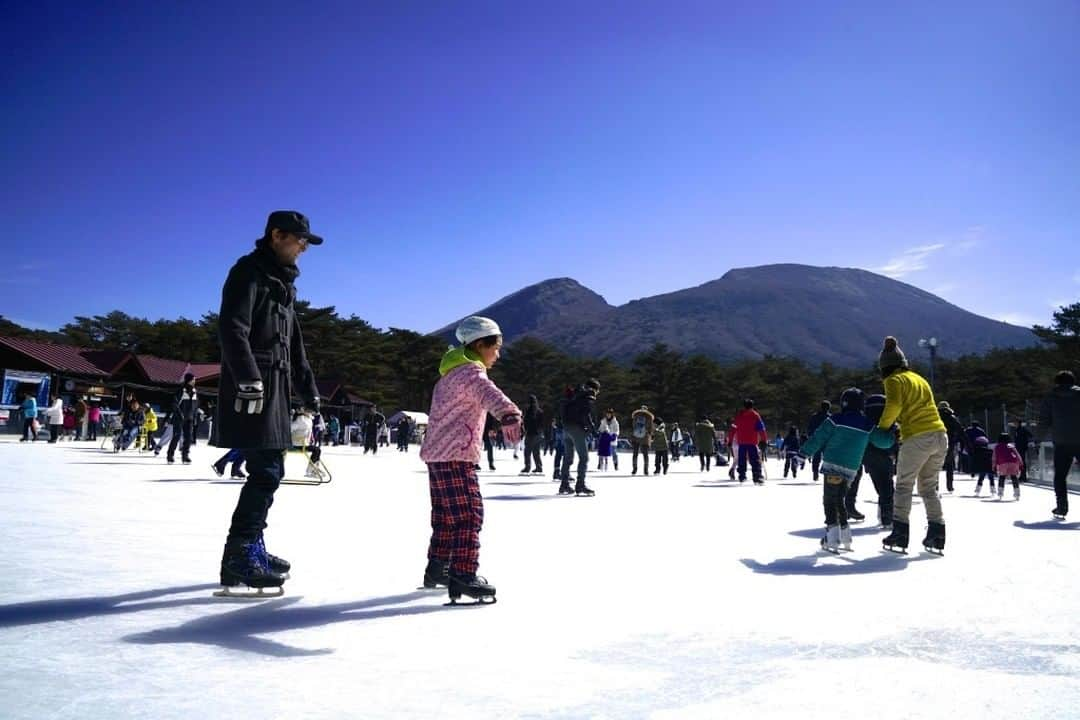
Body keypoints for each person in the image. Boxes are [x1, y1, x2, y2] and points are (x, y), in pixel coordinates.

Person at [213, 210, 323, 594]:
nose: (304, 247)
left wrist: (309, 391)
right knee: (265, 472)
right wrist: (247, 378)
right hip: (254, 390)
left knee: (269, 469)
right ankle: (241, 554)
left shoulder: (282, 283)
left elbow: (295, 345)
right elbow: (232, 327)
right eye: (299, 239)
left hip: (275, 390)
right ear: (276, 235)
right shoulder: (248, 272)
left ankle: (249, 548)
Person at [419, 315, 521, 602]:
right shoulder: (470, 373)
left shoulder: (450, 373)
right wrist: (510, 413)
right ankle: (463, 574)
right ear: (479, 344)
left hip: (438, 455)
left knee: (445, 516)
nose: (498, 354)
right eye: (496, 347)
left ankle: (438, 568)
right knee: (468, 514)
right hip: (456, 455)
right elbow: (490, 394)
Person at [875, 336, 948, 554]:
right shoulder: (919, 379)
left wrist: (882, 427)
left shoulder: (893, 380)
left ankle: (900, 533)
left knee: (904, 485)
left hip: (918, 437)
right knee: (928, 488)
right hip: (940, 434)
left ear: (885, 367)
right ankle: (937, 533)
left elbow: (894, 405)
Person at [800, 388, 884, 552]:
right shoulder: (868, 424)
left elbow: (819, 437)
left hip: (833, 465)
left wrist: (803, 453)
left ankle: (832, 538)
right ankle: (845, 536)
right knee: (840, 500)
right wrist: (892, 434)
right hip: (851, 469)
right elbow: (882, 441)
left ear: (844, 402)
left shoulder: (836, 419)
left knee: (830, 501)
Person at [1040, 370, 1080, 519]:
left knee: (1060, 476)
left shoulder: (1050, 397)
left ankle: (1062, 507)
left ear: (1057, 382)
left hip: (1061, 442)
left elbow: (1044, 420)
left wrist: (1038, 438)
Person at [559, 379, 601, 496]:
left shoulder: (575, 394)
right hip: (577, 429)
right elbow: (586, 415)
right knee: (584, 458)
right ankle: (580, 485)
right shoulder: (587, 396)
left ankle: (564, 484)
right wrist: (593, 430)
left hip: (566, 428)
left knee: (568, 458)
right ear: (594, 389)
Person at [863, 394, 897, 528]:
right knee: (887, 487)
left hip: (868, 456)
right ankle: (887, 517)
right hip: (886, 456)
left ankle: (883, 514)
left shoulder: (866, 422)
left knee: (880, 485)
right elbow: (895, 438)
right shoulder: (888, 420)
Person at [166, 373, 199, 464]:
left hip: (190, 418)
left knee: (188, 438)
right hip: (179, 418)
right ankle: (170, 455)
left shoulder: (195, 391)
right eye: (193, 379)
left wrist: (195, 417)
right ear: (188, 380)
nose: (194, 381)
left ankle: (185, 456)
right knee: (176, 436)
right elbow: (174, 404)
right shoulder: (181, 390)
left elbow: (196, 406)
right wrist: (180, 414)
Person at [733, 399, 767, 484]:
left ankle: (742, 475)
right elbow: (761, 428)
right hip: (752, 441)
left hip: (741, 441)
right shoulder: (755, 415)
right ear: (752, 406)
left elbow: (734, 428)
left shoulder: (739, 415)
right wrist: (764, 440)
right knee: (754, 459)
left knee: (742, 459)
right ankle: (757, 476)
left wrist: (730, 440)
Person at [937, 401, 966, 493]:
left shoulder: (935, 417)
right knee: (949, 465)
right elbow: (960, 430)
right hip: (949, 443)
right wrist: (964, 442)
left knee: (935, 465)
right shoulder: (952, 417)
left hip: (936, 442)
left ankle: (935, 486)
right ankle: (950, 487)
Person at [992, 432, 1023, 501]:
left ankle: (1000, 493)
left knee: (1002, 478)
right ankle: (1017, 493)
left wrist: (993, 466)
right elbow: (1017, 455)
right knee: (1014, 478)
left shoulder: (997, 447)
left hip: (1002, 463)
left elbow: (994, 457)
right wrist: (1021, 464)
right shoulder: (1011, 446)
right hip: (1013, 463)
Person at [807, 401, 832, 481]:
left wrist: (811, 437)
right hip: (827, 441)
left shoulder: (814, 416)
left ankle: (815, 473)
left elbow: (810, 428)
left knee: (816, 458)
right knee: (828, 458)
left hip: (817, 440)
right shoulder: (831, 417)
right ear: (828, 408)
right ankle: (827, 474)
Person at [520, 395, 544, 475]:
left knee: (527, 451)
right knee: (536, 451)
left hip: (531, 433)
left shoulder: (529, 410)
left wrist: (525, 430)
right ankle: (539, 467)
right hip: (539, 434)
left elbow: (526, 422)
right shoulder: (540, 411)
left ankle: (527, 467)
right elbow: (542, 423)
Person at [629, 405, 655, 475]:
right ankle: (646, 470)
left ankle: (634, 469)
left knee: (635, 454)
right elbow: (651, 429)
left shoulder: (635, 416)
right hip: (645, 438)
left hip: (636, 436)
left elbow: (633, 426)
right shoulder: (649, 417)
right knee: (645, 455)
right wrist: (651, 437)